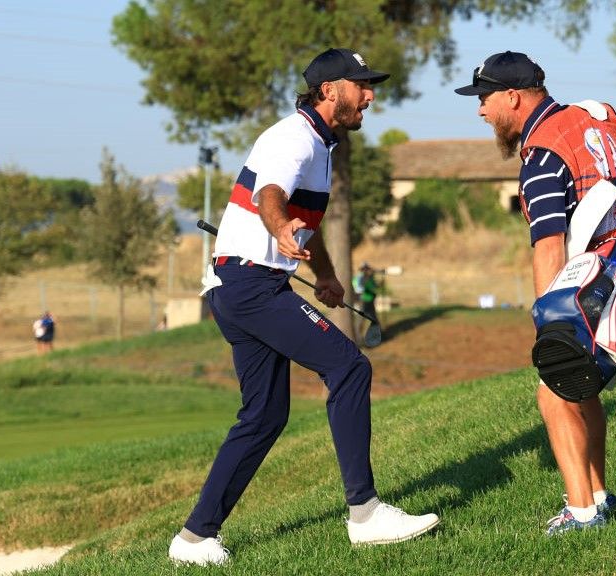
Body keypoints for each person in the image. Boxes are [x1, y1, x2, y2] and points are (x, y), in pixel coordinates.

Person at [168, 48, 439, 566]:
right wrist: (277, 228)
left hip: (238, 284)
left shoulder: (320, 143)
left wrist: (328, 275)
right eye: (361, 86)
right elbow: (271, 195)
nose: (370, 95)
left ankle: (195, 538)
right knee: (349, 366)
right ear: (329, 90)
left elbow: (296, 213)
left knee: (264, 415)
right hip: (250, 285)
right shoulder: (293, 138)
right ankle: (364, 514)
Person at [455, 51, 616, 535]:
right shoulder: (587, 118)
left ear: (512, 97)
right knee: (584, 385)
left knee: (555, 389)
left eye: (484, 99)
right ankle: (599, 495)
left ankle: (581, 513)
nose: (480, 111)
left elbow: (549, 248)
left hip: (592, 281)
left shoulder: (541, 154)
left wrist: (551, 324)